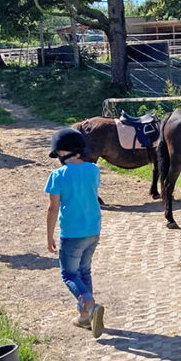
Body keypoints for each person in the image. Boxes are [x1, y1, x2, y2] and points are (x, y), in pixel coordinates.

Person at [45, 128, 105, 337]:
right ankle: (85, 317)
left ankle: (89, 303)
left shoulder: (57, 175)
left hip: (71, 232)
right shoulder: (93, 169)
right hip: (93, 229)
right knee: (84, 271)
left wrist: (49, 235)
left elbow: (53, 208)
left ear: (61, 152)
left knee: (69, 274)